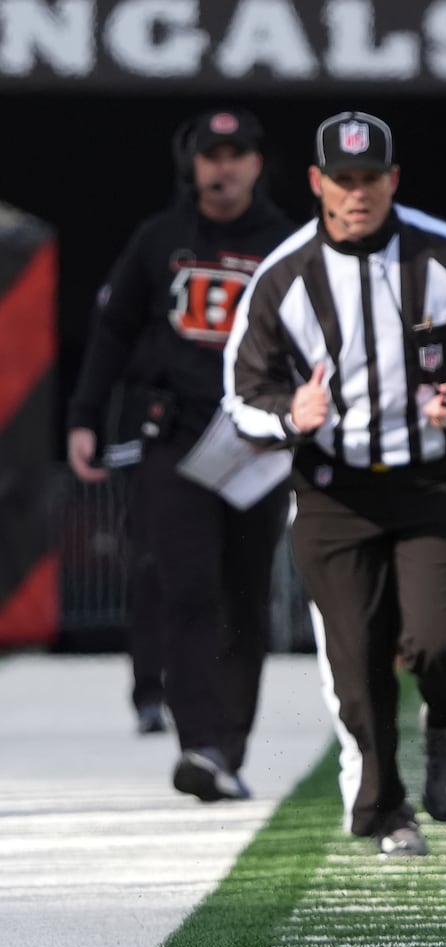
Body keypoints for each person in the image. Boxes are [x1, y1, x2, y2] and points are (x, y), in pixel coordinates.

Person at [223, 111, 446, 856]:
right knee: (356, 665)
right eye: (344, 179)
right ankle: (384, 807)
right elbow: (241, 395)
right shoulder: (282, 279)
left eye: (371, 179)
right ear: (317, 183)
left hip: (436, 480)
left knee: (437, 642)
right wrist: (290, 414)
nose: (357, 193)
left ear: (392, 180)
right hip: (334, 490)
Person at [65, 108, 296, 796]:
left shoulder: (289, 245)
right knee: (185, 584)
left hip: (257, 443)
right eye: (211, 154)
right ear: (191, 165)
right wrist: (85, 416)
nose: (223, 167)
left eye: (236, 153)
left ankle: (229, 745)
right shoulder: (159, 238)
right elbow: (112, 330)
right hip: (175, 437)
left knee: (245, 594)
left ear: (257, 163)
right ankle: (198, 743)